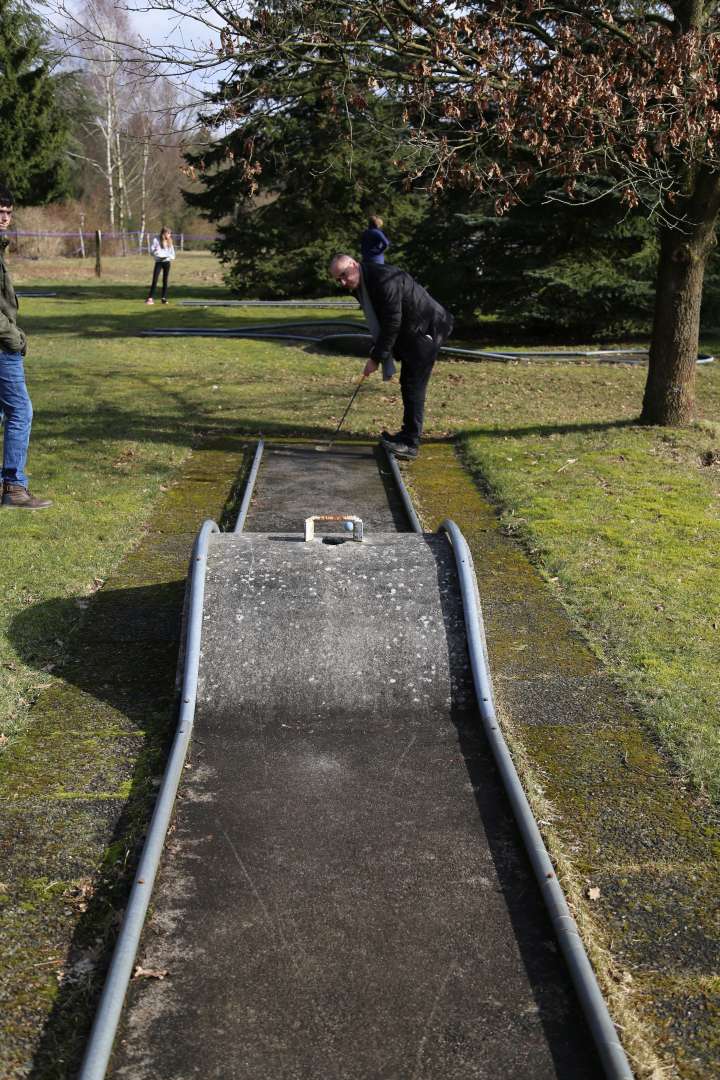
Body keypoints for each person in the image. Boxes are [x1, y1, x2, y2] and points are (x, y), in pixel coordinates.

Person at [329, 254, 453, 460]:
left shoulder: (383, 279)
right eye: (337, 279)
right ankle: (405, 435)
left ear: (353, 264)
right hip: (410, 331)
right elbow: (381, 320)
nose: (342, 282)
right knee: (407, 383)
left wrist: (376, 358)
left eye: (344, 275)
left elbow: (391, 322)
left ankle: (411, 444)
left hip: (427, 327)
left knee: (413, 385)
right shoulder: (363, 283)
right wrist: (377, 352)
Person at [0, 185, 51, 510]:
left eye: (8, 211)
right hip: (3, 345)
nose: (5, 217)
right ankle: (15, 486)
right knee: (21, 411)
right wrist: (14, 338)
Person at [145, 226, 175, 305]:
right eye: (168, 233)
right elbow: (151, 251)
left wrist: (168, 256)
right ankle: (150, 298)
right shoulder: (156, 239)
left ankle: (164, 298)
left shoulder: (170, 241)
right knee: (155, 280)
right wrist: (155, 252)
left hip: (167, 262)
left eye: (170, 234)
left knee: (165, 280)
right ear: (164, 233)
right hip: (158, 262)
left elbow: (173, 255)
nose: (169, 235)